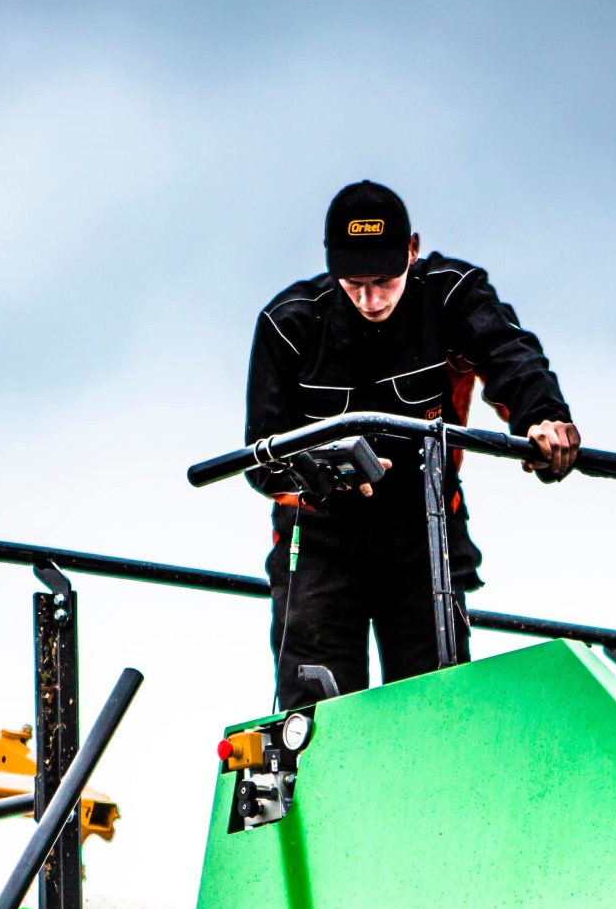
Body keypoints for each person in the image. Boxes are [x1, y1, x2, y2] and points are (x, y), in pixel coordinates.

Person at [246, 180, 580, 707]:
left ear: (412, 249)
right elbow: (260, 459)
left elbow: (512, 356)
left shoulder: (451, 296)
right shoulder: (288, 327)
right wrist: (334, 470)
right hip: (319, 548)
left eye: (384, 280)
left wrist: (544, 417)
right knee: (314, 719)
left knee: (435, 714)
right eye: (354, 283)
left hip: (425, 540)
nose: (371, 298)